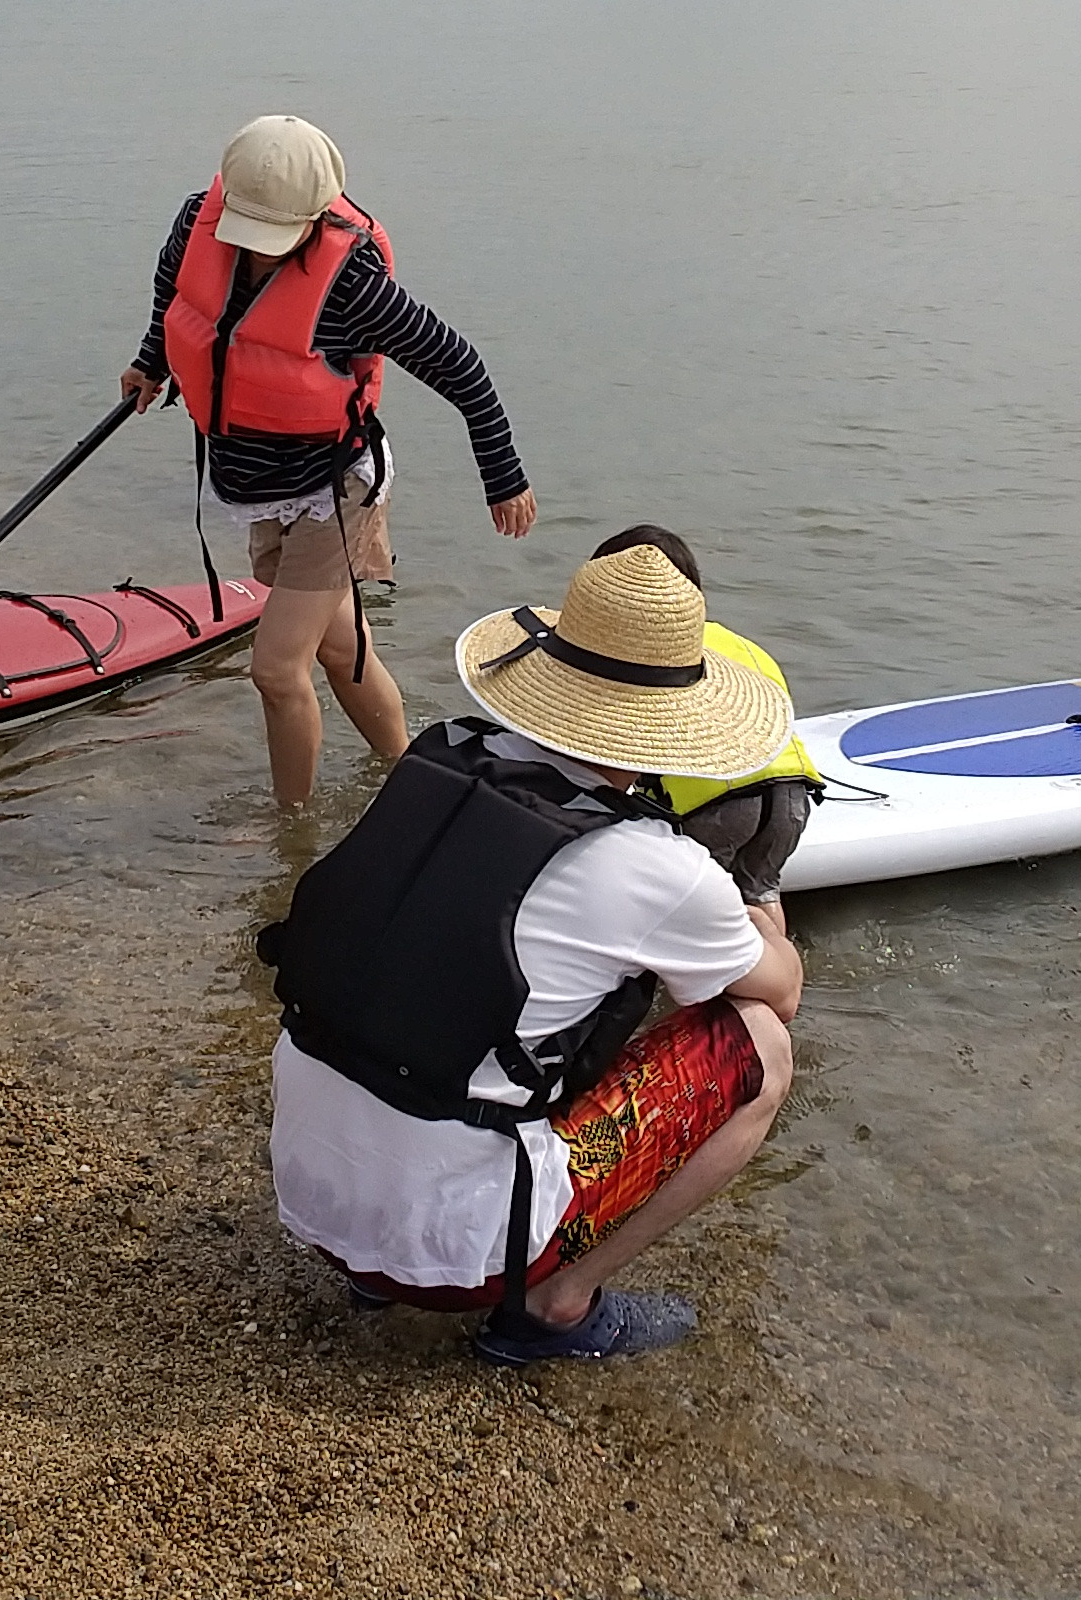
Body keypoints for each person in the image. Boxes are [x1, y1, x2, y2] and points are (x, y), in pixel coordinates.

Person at [260, 545, 802, 1364]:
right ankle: (556, 1303)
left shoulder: (434, 760)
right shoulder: (657, 863)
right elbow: (781, 988)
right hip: (455, 1254)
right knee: (762, 1043)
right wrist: (755, 892)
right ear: (673, 720)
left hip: (308, 1194)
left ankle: (373, 1271)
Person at [119, 116, 537, 805]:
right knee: (338, 649)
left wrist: (504, 476)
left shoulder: (352, 286)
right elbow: (177, 296)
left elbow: (460, 365)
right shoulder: (197, 220)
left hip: (335, 487)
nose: (257, 254)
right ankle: (409, 775)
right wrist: (148, 363)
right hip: (256, 483)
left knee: (276, 671)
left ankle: (293, 840)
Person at [587, 525, 821, 902]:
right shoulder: (743, 644)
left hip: (720, 803)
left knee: (692, 906)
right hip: (791, 795)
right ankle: (787, 959)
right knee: (762, 893)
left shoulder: (651, 654)